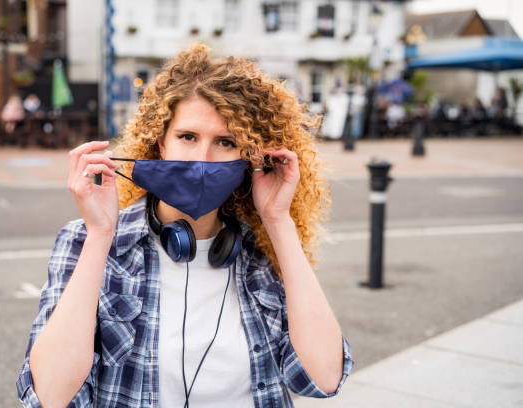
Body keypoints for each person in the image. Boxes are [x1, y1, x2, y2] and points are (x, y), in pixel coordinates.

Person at [17, 44, 353, 408]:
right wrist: (100, 235)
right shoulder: (84, 240)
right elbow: (51, 396)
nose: (202, 160)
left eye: (225, 142)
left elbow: (323, 378)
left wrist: (278, 221)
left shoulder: (264, 250)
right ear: (161, 142)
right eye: (188, 137)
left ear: (250, 157)